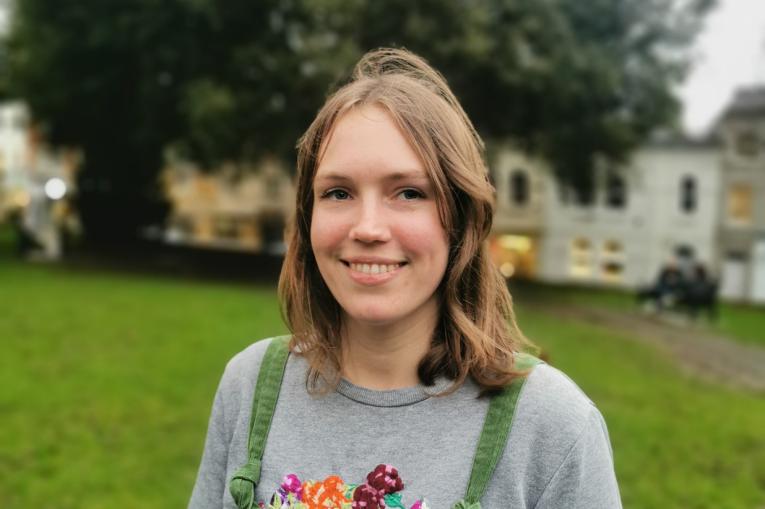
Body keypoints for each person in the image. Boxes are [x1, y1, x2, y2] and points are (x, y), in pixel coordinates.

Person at [189, 48, 621, 509]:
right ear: (308, 216)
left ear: (460, 218)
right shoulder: (250, 386)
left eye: (409, 193)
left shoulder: (554, 427)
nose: (368, 228)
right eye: (338, 192)